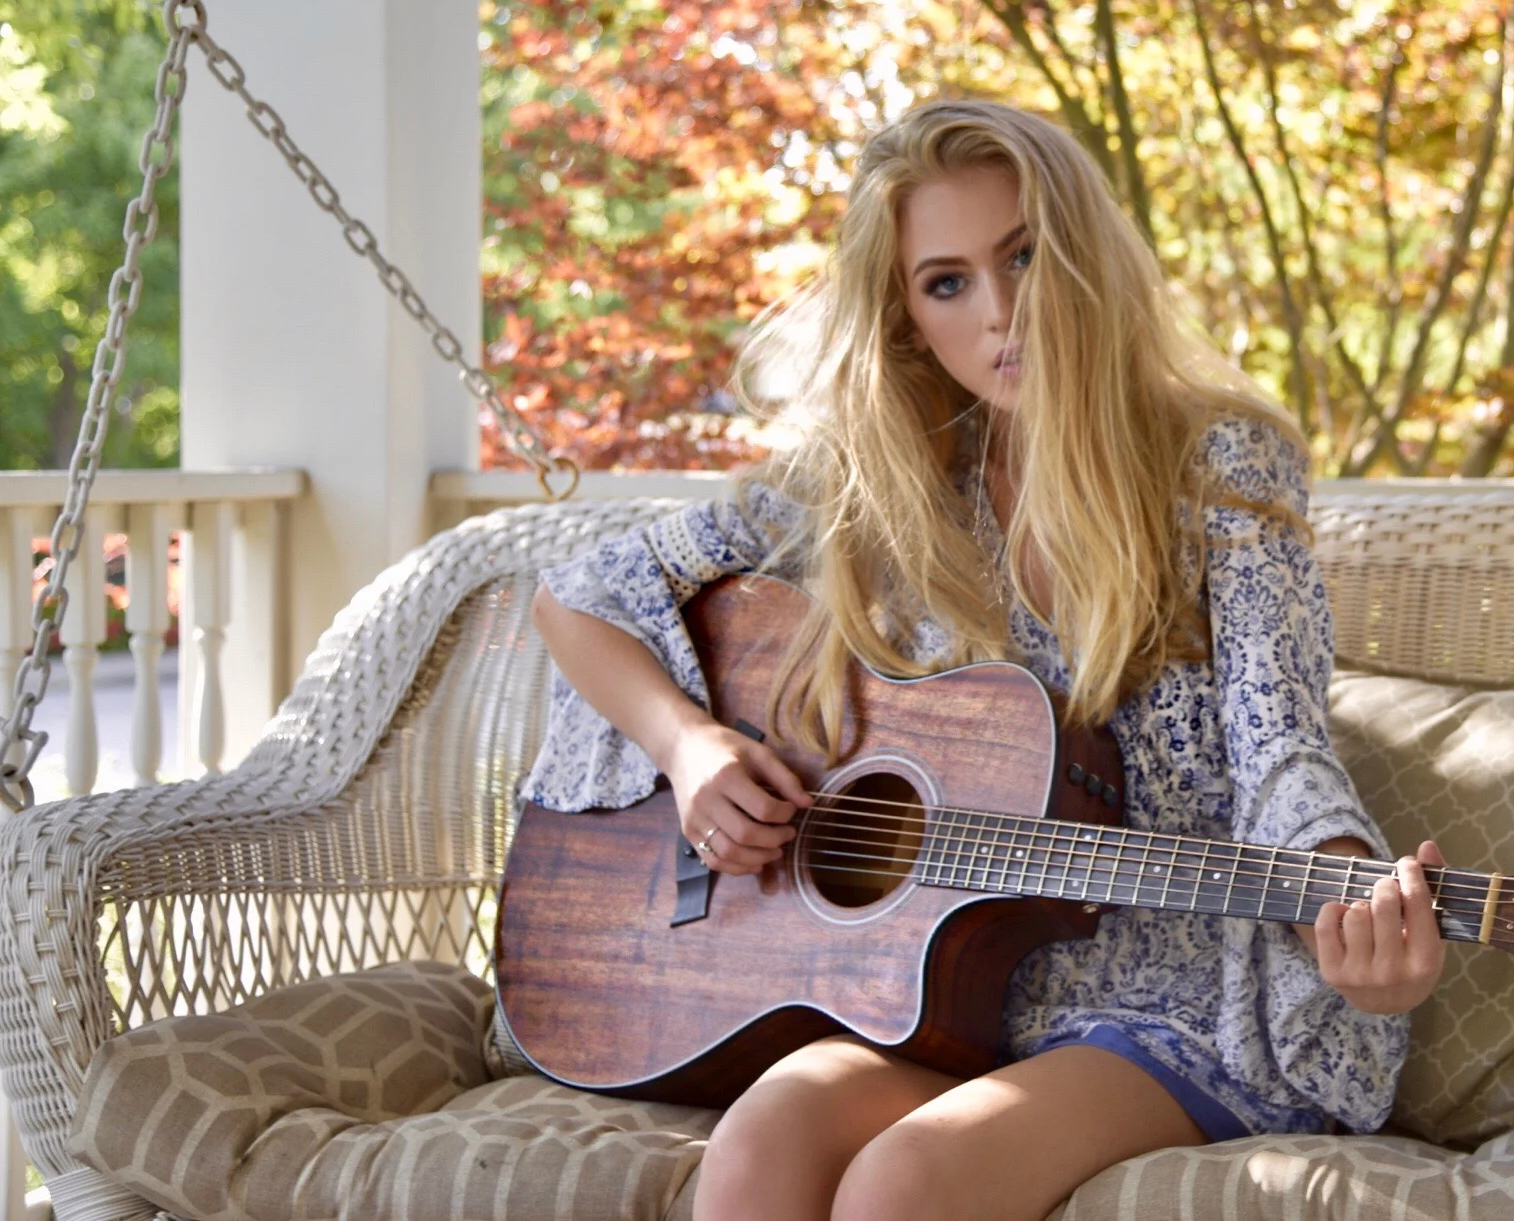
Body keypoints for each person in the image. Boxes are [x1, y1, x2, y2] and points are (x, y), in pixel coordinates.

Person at [525, 99, 1447, 1221]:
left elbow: (1278, 739)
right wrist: (691, 750)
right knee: (765, 1137)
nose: (1000, 312)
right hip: (950, 988)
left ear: (1086, 254)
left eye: (1024, 256)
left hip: (1182, 987)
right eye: (946, 281)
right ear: (907, 316)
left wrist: (1344, 895)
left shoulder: (1219, 462)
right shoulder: (877, 481)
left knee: (903, 1181)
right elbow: (578, 599)